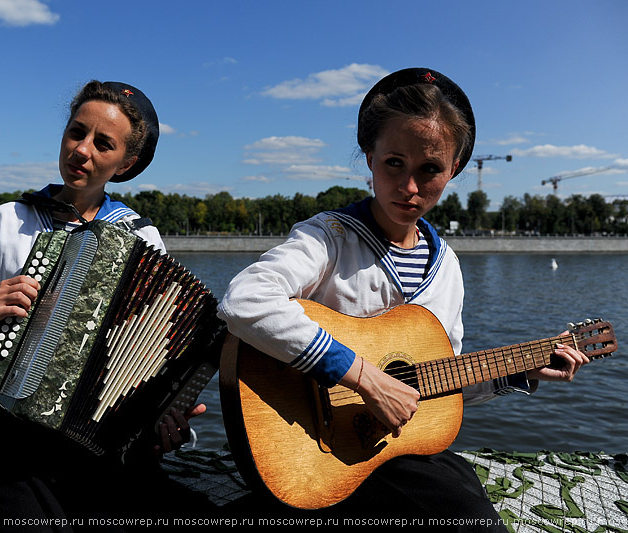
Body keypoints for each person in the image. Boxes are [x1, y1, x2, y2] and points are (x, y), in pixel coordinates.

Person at [217, 68, 589, 530]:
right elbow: (244, 300)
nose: (410, 187)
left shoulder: (446, 266)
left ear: (454, 169)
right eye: (394, 162)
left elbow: (435, 384)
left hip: (389, 454)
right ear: (368, 155)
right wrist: (364, 378)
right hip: (308, 448)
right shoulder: (330, 237)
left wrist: (516, 371)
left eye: (430, 169)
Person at [0, 80, 211, 530]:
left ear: (126, 164)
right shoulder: (5, 222)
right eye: (76, 132)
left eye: (102, 143)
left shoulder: (141, 237)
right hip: (17, 445)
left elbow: (154, 353)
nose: (81, 150)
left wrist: (165, 411)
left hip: (107, 443)